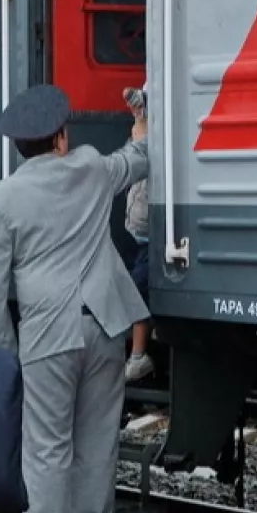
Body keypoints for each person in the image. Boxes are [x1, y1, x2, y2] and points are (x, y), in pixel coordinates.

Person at [0, 84, 148, 513]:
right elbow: (139, 158)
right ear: (61, 136)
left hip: (49, 333)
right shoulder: (92, 167)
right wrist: (140, 117)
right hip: (108, 322)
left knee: (47, 450)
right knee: (98, 446)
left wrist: (7, 350)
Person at [121, 88, 154, 382]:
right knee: (137, 288)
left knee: (136, 290)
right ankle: (136, 353)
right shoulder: (142, 131)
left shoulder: (150, 134)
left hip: (149, 229)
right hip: (140, 230)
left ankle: (138, 356)